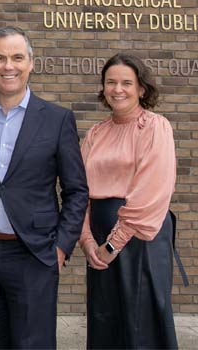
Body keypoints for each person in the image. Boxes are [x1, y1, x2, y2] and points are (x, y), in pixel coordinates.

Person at [0, 26, 88, 349]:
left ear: (31, 63)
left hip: (35, 254)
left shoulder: (57, 119)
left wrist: (61, 246)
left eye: (16, 58)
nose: (7, 66)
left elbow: (76, 191)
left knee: (34, 344)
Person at [79, 53, 178, 349]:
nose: (117, 89)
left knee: (141, 323)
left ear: (141, 89)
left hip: (139, 239)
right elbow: (79, 191)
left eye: (126, 83)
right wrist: (86, 241)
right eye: (111, 82)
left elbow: (151, 190)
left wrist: (113, 244)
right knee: (105, 318)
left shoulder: (155, 127)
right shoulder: (95, 133)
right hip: (98, 242)